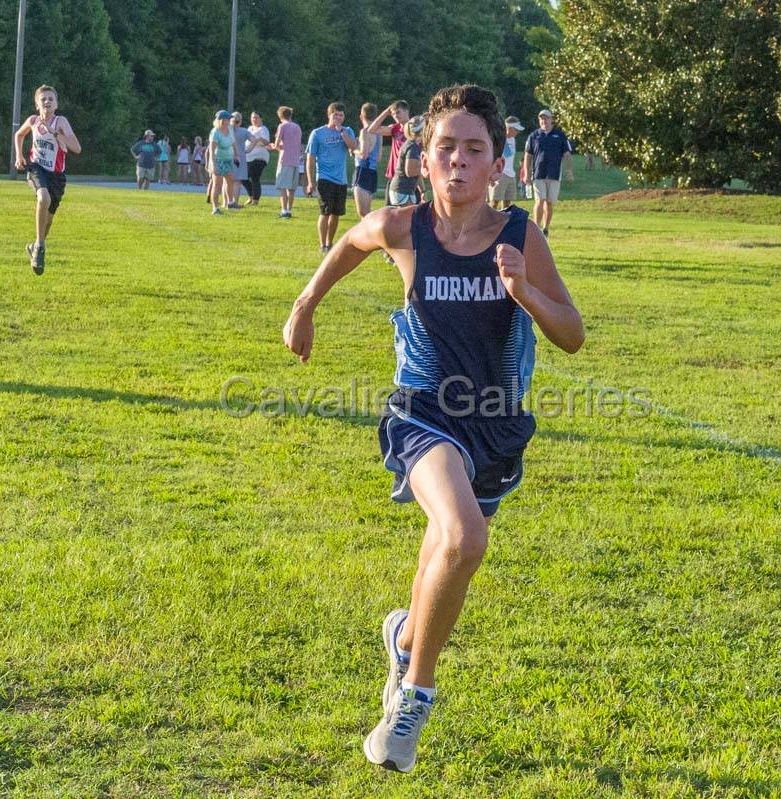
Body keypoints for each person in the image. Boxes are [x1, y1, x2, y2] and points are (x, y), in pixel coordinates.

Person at [283, 84, 584, 774]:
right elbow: (349, 246)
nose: (457, 161)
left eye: (473, 150)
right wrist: (304, 306)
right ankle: (414, 697)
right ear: (422, 159)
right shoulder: (402, 227)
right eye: (445, 147)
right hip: (422, 414)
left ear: (497, 165)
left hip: (496, 427)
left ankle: (404, 638)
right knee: (464, 535)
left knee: (441, 558)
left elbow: (572, 334)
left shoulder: (519, 236)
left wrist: (527, 294)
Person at [13, 85, 81, 276]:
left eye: (51, 99)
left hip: (56, 177)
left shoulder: (61, 122)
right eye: (43, 99)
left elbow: (76, 147)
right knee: (43, 198)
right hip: (36, 168)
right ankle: (40, 247)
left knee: (48, 222)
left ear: (56, 104)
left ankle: (35, 246)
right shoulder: (33, 120)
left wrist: (55, 133)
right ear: (37, 104)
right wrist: (19, 156)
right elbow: (19, 135)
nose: (47, 102)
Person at [305, 102, 358, 253]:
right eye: (335, 114)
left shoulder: (347, 131)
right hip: (324, 178)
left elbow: (353, 147)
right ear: (329, 115)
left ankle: (330, 242)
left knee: (336, 213)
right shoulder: (318, 133)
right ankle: (322, 244)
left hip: (341, 179)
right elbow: (310, 158)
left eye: (341, 115)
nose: (338, 117)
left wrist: (341, 131)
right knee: (325, 212)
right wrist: (310, 182)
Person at [520, 109, 573, 237]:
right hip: (538, 173)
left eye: (546, 118)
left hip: (554, 174)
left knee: (549, 202)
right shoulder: (534, 136)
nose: (544, 121)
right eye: (541, 118)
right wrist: (526, 173)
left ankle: (545, 228)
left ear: (551, 119)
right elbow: (528, 156)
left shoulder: (559, 135)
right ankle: (536, 228)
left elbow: (567, 154)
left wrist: (569, 170)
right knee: (540, 200)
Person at [353, 103, 393, 218]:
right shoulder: (378, 133)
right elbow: (379, 157)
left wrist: (353, 150)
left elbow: (363, 154)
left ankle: (380, 229)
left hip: (362, 171)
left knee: (363, 213)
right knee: (367, 212)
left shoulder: (365, 132)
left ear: (361, 116)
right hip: (373, 173)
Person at [271, 106, 302, 219]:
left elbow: (277, 143)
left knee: (283, 187)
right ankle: (289, 210)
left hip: (285, 161)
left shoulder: (282, 126)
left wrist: (273, 146)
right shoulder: (297, 127)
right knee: (292, 189)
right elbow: (297, 145)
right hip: (296, 161)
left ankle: (284, 211)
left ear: (280, 116)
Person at [385, 115, 423, 207]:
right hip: (402, 190)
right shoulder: (412, 146)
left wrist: (423, 191)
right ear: (422, 131)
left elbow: (416, 173)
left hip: (405, 190)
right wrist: (427, 167)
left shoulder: (415, 145)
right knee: (407, 220)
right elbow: (410, 172)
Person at [487, 115, 523, 210]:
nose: (518, 132)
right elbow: (492, 157)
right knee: (494, 202)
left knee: (507, 205)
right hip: (500, 175)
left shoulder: (513, 139)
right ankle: (490, 223)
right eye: (516, 129)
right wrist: (491, 175)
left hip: (511, 175)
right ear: (509, 128)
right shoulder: (498, 139)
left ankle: (504, 224)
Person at [208, 110, 237, 215]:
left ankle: (230, 202)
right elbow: (211, 151)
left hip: (228, 160)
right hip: (218, 161)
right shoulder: (215, 132)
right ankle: (215, 208)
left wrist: (237, 154)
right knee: (217, 185)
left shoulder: (229, 128)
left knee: (231, 180)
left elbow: (233, 142)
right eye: (228, 118)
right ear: (222, 120)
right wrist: (214, 165)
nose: (230, 120)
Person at [242, 111, 272, 206]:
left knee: (254, 177)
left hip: (259, 157)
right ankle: (251, 196)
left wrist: (257, 139)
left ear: (260, 118)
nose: (254, 119)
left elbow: (266, 142)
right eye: (252, 117)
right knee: (243, 177)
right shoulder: (249, 128)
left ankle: (255, 200)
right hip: (247, 157)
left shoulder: (263, 129)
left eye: (256, 117)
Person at [227, 112, 251, 209]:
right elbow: (254, 140)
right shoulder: (244, 131)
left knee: (227, 182)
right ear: (240, 121)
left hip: (227, 157)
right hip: (239, 157)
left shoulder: (227, 130)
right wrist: (248, 149)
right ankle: (234, 203)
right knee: (237, 182)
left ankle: (226, 202)